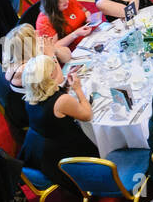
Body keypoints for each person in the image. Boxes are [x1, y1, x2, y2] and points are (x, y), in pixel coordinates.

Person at [17, 54, 97, 183]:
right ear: (50, 77)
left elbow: (51, 101)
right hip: (67, 154)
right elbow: (88, 115)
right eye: (54, 67)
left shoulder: (31, 96)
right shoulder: (61, 101)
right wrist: (78, 89)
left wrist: (66, 85)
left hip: (42, 152)